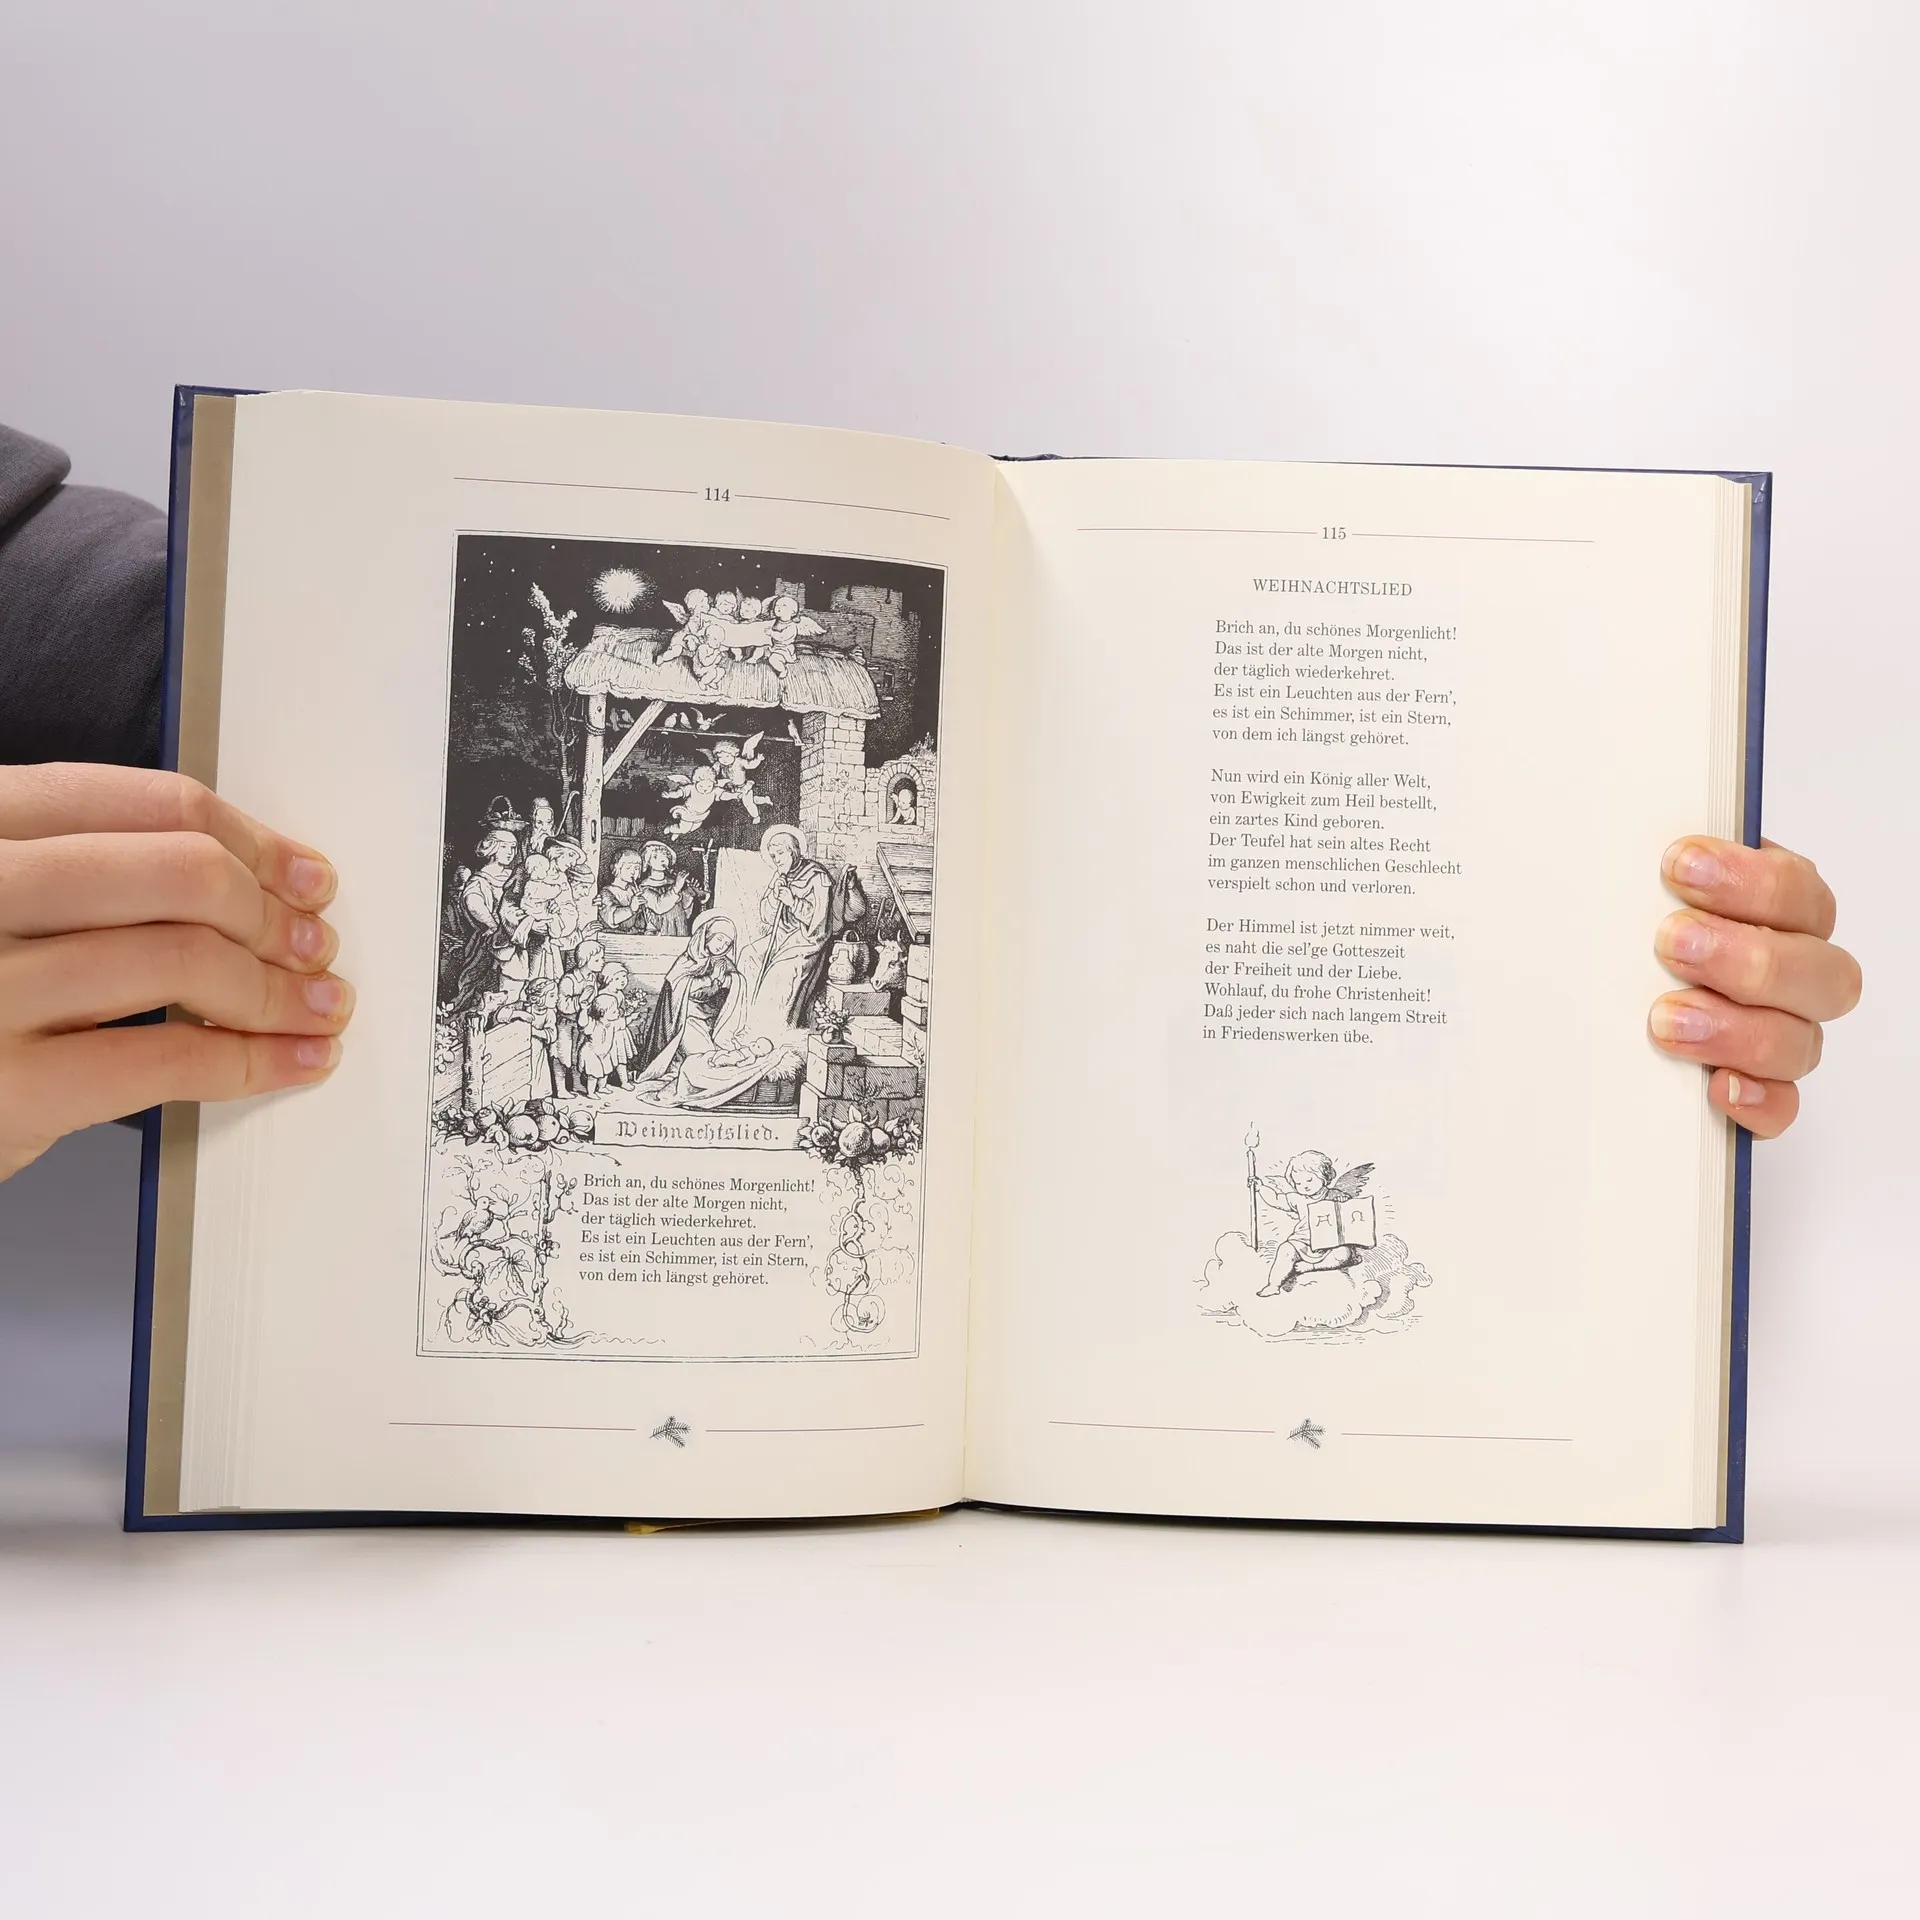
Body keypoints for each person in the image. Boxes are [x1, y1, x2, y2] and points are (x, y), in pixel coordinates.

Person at [0, 420, 1865, 1180]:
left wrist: (1566, 838)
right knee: (677, 1035)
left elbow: (144, 660)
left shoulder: (824, 891)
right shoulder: (716, 893)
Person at [737, 824, 837, 1033]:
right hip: (781, 936)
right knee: (749, 955)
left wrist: (793, 902)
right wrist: (775, 897)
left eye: (781, 853)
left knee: (781, 973)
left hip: (807, 941)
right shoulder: (781, 875)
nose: (777, 860)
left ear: (794, 851)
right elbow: (767, 916)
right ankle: (745, 1018)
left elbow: (819, 921)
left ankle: (772, 1028)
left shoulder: (817, 876)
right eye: (773, 856)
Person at [599, 841, 700, 937]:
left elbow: (682, 909)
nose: (633, 872)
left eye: (636, 868)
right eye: (628, 868)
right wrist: (631, 909)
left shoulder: (634, 889)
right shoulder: (642, 888)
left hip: (678, 929)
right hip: (633, 937)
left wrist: (689, 893)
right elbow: (659, 906)